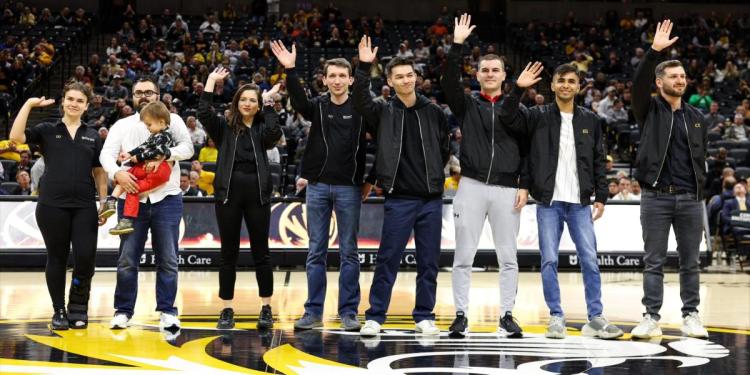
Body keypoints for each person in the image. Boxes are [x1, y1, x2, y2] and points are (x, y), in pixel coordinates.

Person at [501, 62, 623, 340]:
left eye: (571, 81)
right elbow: (507, 118)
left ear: (579, 86)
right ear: (553, 85)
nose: (566, 85)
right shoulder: (536, 116)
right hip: (548, 202)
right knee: (549, 261)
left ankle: (595, 318)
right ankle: (556, 317)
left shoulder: (590, 120)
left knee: (590, 260)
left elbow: (597, 160)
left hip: (580, 203)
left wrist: (601, 195)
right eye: (561, 81)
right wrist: (519, 89)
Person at [354, 36, 451, 336]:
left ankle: (424, 315)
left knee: (429, 262)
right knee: (387, 259)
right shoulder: (383, 111)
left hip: (431, 199)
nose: (406, 80)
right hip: (399, 199)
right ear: (390, 81)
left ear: (416, 78)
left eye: (410, 75)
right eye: (399, 76)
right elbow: (359, 98)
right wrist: (363, 66)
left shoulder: (434, 112)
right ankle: (375, 316)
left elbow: (445, 148)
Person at [271, 41, 370, 332]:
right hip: (317, 187)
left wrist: (364, 67)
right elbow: (300, 103)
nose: (337, 81)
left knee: (349, 252)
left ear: (350, 79)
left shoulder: (362, 107)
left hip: (349, 188)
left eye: (343, 76)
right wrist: (290, 70)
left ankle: (349, 312)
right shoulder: (318, 106)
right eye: (332, 76)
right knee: (316, 251)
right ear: (324, 80)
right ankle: (313, 311)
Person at [442, 14, 528, 338]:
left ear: (505, 75)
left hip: (507, 189)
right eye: (484, 70)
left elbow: (529, 149)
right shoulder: (467, 105)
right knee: (463, 256)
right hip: (472, 186)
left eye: (495, 70)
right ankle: (461, 315)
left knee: (509, 258)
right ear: (476, 75)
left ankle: (507, 315)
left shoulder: (517, 109)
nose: (490, 74)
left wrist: (526, 185)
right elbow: (447, 82)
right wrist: (457, 45)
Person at [630, 20, 709, 339]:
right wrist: (653, 52)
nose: (680, 80)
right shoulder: (648, 110)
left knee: (691, 262)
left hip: (691, 199)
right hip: (656, 197)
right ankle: (651, 316)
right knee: (654, 262)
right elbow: (637, 85)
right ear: (660, 82)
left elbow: (700, 159)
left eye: (683, 76)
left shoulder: (697, 118)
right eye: (673, 76)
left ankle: (691, 315)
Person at [9, 82, 109, 330]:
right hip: (52, 205)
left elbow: (99, 172)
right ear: (63, 101)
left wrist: (104, 202)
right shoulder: (46, 129)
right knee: (57, 258)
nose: (74, 103)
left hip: (85, 205)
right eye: (70, 99)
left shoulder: (93, 135)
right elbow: (15, 137)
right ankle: (59, 311)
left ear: (86, 106)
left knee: (85, 259)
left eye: (80, 100)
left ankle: (78, 307)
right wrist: (29, 104)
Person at [100, 77, 194, 331]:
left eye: (148, 92)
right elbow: (106, 155)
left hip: (167, 198)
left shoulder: (173, 121)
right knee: (128, 258)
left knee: (169, 259)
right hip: (133, 196)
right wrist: (116, 173)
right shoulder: (121, 124)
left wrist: (167, 155)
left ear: (158, 95)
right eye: (138, 92)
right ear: (132, 96)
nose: (143, 96)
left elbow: (188, 148)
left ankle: (167, 311)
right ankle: (123, 311)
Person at [198, 67, 282, 330]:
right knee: (228, 254)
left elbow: (274, 132)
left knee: (262, 253)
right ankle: (226, 309)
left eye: (253, 100)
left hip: (258, 196)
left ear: (258, 106)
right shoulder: (223, 128)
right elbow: (203, 113)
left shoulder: (262, 131)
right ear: (237, 103)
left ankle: (266, 308)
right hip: (228, 196)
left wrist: (269, 103)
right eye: (243, 99)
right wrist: (211, 81)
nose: (247, 104)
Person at [101, 102, 175, 235]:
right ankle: (111, 201)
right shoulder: (155, 135)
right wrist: (129, 154)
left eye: (149, 125)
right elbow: (143, 146)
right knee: (128, 175)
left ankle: (127, 220)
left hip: (160, 170)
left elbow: (158, 152)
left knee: (132, 188)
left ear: (161, 121)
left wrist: (139, 158)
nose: (148, 128)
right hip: (149, 166)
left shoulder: (166, 135)